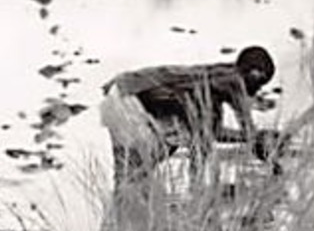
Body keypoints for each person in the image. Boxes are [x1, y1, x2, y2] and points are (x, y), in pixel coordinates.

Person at [99, 46, 278, 184]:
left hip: (121, 93)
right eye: (260, 84)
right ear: (253, 75)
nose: (256, 92)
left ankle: (121, 219)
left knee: (129, 174)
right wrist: (266, 150)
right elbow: (245, 128)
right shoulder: (233, 81)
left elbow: (212, 134)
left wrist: (248, 139)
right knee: (145, 164)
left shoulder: (211, 85)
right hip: (129, 98)